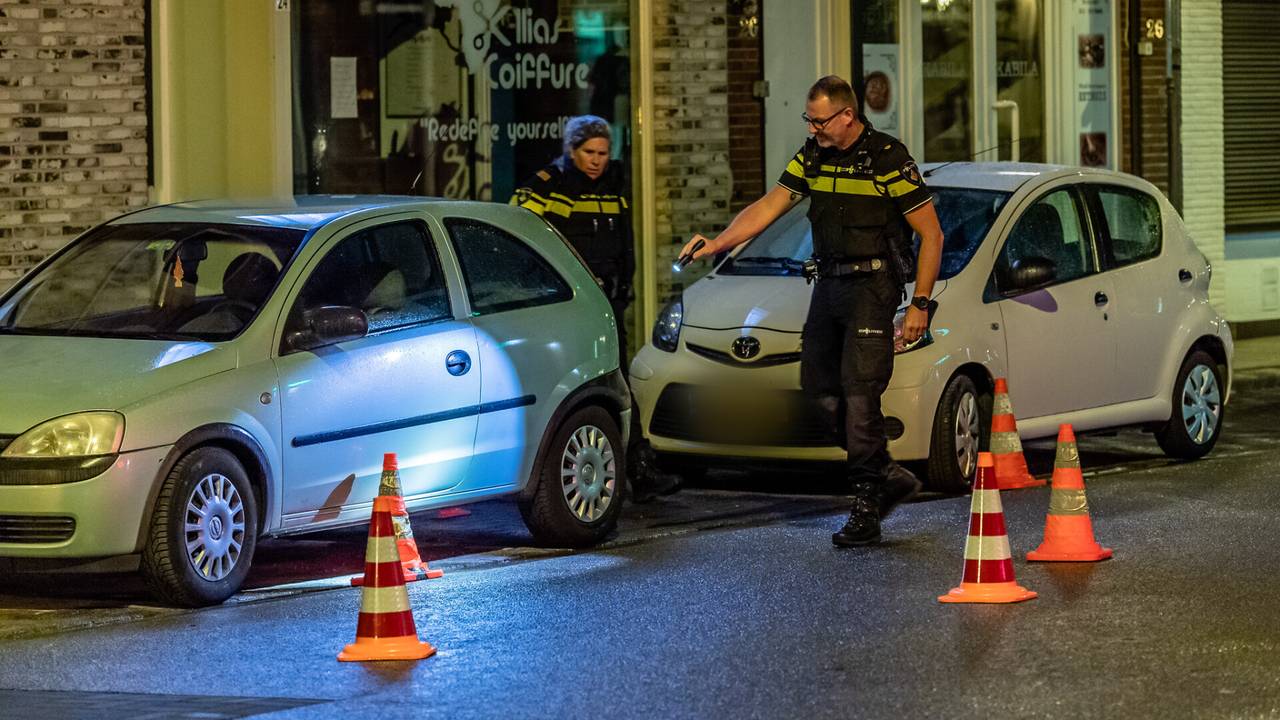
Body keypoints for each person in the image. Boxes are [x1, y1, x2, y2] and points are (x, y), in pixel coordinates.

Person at [679, 76, 944, 546]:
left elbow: (932, 235)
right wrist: (718, 243)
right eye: (809, 119)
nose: (813, 128)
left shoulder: (887, 158)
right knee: (820, 393)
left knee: (860, 397)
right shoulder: (812, 156)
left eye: (820, 121)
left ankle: (866, 505)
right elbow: (770, 205)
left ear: (848, 115)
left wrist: (920, 303)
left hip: (872, 287)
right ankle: (886, 474)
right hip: (829, 284)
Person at [512, 115, 681, 502]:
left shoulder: (613, 188)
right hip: (567, 308)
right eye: (589, 152)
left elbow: (625, 244)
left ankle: (637, 468)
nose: (596, 160)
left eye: (603, 153)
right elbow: (524, 241)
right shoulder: (549, 186)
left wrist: (625, 290)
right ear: (571, 150)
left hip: (607, 305)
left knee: (617, 383)